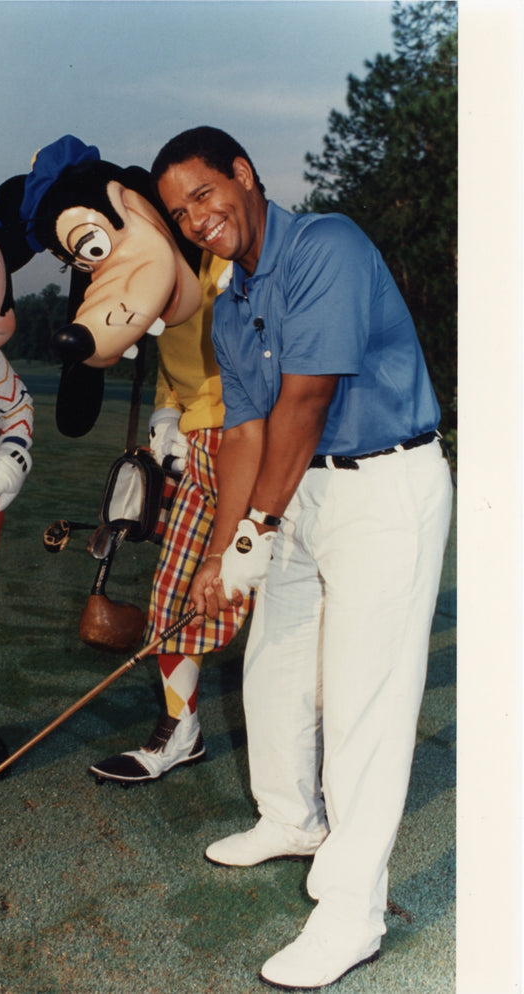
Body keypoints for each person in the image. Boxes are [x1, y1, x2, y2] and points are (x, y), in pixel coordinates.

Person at [150, 126, 453, 990]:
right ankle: (291, 819)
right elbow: (243, 432)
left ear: (243, 176)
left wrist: (254, 534)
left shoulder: (329, 243)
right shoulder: (230, 302)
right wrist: (221, 559)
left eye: (204, 195)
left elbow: (308, 400)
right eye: (180, 214)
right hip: (302, 490)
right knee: (274, 665)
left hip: (383, 489)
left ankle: (352, 914)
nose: (197, 221)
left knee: (365, 700)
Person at [88, 248, 256, 784]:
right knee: (174, 597)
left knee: (276, 606)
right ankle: (181, 729)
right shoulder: (158, 274)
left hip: (255, 444)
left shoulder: (235, 261)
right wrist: (168, 422)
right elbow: (170, 366)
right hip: (198, 449)